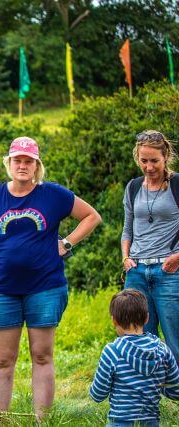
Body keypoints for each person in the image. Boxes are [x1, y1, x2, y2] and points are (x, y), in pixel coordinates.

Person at [0, 136, 102, 418]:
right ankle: (0, 420)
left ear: (36, 166)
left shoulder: (54, 195)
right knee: (2, 360)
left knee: (42, 355)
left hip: (45, 287)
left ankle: (43, 421)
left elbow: (91, 217)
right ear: (9, 163)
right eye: (17, 160)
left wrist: (67, 243)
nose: (22, 165)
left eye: (28, 161)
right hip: (1, 290)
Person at [121, 129, 179, 360]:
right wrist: (125, 258)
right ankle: (150, 389)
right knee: (140, 336)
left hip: (169, 270)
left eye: (154, 161)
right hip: (136, 272)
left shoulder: (176, 185)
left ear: (166, 157)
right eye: (144, 161)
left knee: (174, 336)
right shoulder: (133, 187)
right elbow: (127, 229)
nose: (149, 167)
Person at [90, 289, 179, 426]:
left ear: (114, 320)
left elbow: (97, 395)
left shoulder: (112, 352)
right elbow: (176, 391)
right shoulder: (163, 351)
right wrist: (154, 385)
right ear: (147, 318)